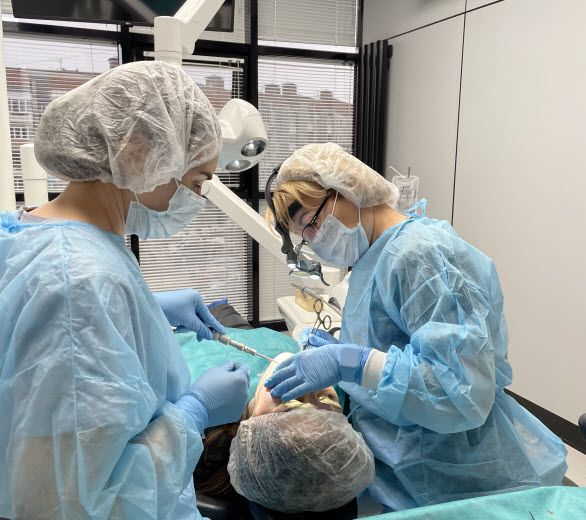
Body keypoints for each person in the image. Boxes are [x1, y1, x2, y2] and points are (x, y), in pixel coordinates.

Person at [0, 60, 250, 520]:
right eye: (197, 181)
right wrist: (195, 412)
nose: (197, 198)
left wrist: (143, 309)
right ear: (137, 153)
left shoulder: (26, 232)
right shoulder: (81, 283)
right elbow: (78, 502)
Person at [264, 142, 568, 512]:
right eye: (305, 236)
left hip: (456, 471)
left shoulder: (420, 255)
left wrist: (352, 363)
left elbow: (461, 389)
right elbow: (396, 347)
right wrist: (345, 353)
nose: (313, 241)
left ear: (343, 190)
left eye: (311, 224)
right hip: (408, 460)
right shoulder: (373, 257)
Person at [189, 344, 375, 515]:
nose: (310, 387)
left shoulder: (197, 407)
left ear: (251, 429)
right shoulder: (347, 387)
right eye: (327, 399)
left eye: (292, 400)